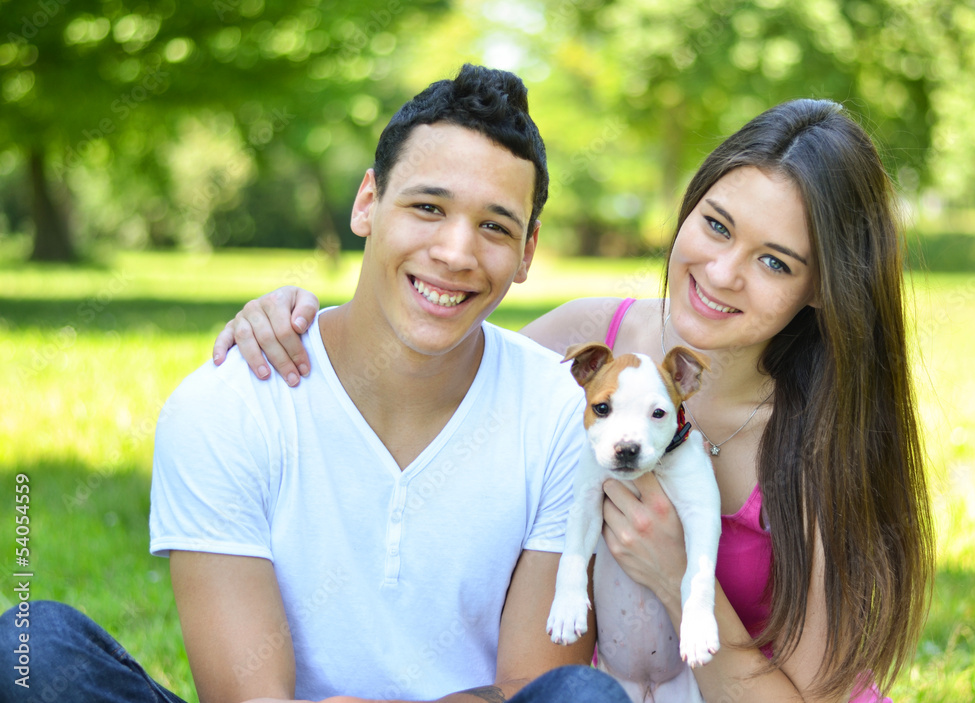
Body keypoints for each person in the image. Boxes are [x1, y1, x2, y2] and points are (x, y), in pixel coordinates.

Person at [217, 98, 936, 703]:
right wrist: (290, 318)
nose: (720, 273)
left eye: (774, 261)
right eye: (715, 225)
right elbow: (413, 373)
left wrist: (678, 567)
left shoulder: (825, 443)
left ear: (822, 289)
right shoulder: (585, 340)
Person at [0, 65, 633, 703]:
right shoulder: (230, 402)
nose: (455, 251)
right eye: (427, 207)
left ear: (527, 251)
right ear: (368, 202)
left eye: (495, 226)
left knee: (583, 697)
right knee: (33, 645)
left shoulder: (562, 418)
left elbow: (532, 685)